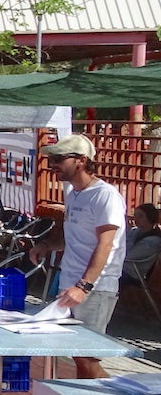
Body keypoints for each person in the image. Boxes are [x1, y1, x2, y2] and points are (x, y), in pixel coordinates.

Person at [29, 134, 126, 379]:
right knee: (77, 355)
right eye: (52, 158)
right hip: (70, 284)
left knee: (88, 358)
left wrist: (83, 286)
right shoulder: (73, 193)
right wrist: (46, 245)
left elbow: (105, 244)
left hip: (95, 287)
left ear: (82, 160)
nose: (53, 165)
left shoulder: (105, 195)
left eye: (59, 158)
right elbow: (72, 236)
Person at [124, 203, 161, 280]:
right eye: (135, 216)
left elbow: (128, 255)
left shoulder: (154, 241)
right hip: (122, 268)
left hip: (134, 273)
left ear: (150, 217)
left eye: (140, 216)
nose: (136, 219)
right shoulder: (135, 231)